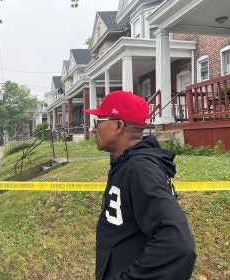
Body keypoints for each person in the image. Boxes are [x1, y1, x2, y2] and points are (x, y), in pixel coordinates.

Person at [83, 90, 196, 280]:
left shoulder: (140, 170)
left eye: (98, 121)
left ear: (118, 126)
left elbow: (179, 246)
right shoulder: (126, 164)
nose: (93, 130)